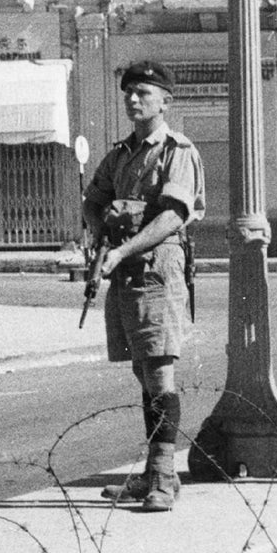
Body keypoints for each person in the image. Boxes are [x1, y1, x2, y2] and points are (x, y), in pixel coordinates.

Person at [82, 60, 206, 513]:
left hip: (158, 267)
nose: (133, 100)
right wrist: (102, 237)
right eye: (129, 93)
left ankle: (164, 477)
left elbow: (173, 215)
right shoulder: (120, 155)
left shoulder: (178, 150)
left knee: (159, 372)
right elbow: (92, 201)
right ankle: (155, 473)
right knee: (142, 370)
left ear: (165, 101)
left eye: (144, 93)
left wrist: (124, 248)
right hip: (125, 270)